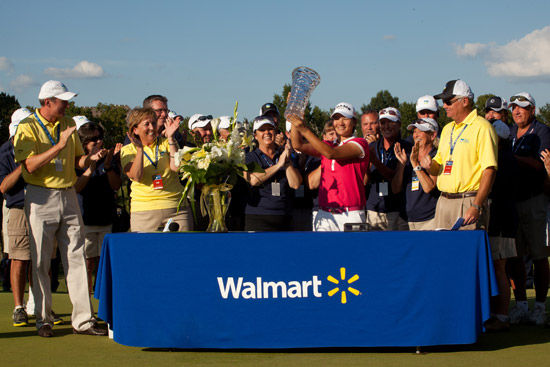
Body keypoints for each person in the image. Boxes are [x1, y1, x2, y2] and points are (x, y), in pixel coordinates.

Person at [13, 80, 106, 337]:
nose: (67, 104)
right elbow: (29, 165)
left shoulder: (67, 124)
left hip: (68, 193)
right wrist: (58, 145)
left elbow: (77, 160)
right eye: (62, 100)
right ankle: (43, 319)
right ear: (47, 102)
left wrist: (91, 157)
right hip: (40, 195)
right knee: (42, 260)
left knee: (76, 257)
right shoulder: (27, 126)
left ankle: (83, 321)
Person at [424, 79, 498, 230]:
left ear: (464, 101)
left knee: (466, 252)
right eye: (443, 102)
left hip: (468, 200)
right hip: (444, 200)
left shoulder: (482, 127)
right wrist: (429, 165)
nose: (444, 106)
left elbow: (489, 170)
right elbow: (437, 167)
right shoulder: (447, 129)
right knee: (442, 251)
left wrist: (476, 205)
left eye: (448, 101)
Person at [288, 102, 370, 231]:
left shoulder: (360, 143)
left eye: (345, 118)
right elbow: (298, 145)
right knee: (322, 251)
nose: (340, 122)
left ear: (354, 122)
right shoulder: (328, 144)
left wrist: (304, 129)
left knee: (351, 251)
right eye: (336, 118)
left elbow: (332, 154)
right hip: (325, 214)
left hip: (351, 214)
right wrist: (295, 118)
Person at [505, 92, 550, 325]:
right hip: (514, 200)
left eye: (522, 107)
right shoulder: (511, 132)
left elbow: (540, 164)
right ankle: (521, 304)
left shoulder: (541, 131)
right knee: (515, 256)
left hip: (534, 199)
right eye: (514, 107)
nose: (516, 111)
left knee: (539, 255)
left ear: (532, 110)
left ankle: (540, 306)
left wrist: (512, 158)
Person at [121, 108, 192, 232]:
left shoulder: (167, 143)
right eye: (146, 124)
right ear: (135, 129)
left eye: (153, 123)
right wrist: (140, 150)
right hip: (144, 212)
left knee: (182, 250)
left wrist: (171, 138)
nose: (152, 128)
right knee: (145, 251)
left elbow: (176, 168)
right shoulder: (128, 150)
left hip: (176, 208)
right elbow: (136, 176)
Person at [75, 119, 122, 294]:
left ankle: (104, 305)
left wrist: (108, 165)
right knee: (87, 264)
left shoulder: (108, 158)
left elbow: (116, 185)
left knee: (105, 265)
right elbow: (76, 188)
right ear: (84, 143)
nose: (99, 142)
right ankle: (86, 306)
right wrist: (90, 166)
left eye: (101, 137)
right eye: (94, 139)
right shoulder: (77, 161)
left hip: (105, 219)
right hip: (84, 220)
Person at [484, 121, 519, 332]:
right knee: (497, 268)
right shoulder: (504, 158)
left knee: (500, 268)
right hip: (501, 221)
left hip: (502, 222)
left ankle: (503, 316)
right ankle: (498, 314)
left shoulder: (503, 160)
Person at [0, 108, 32, 326]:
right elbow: (4, 186)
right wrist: (24, 166)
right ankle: (19, 307)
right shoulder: (5, 152)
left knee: (44, 261)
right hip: (18, 208)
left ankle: (38, 305)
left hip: (41, 206)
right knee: (19, 258)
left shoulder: (38, 146)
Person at [243, 116, 302, 231]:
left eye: (270, 129)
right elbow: (253, 180)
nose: (267, 133)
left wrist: (287, 162)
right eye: (262, 130)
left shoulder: (284, 155)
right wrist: (278, 165)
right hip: (258, 217)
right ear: (255, 135)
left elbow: (295, 184)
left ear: (275, 132)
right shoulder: (249, 156)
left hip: (284, 216)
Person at [365, 107, 410, 231]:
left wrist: (375, 161)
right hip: (375, 209)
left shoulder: (407, 148)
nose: (387, 126)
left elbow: (397, 184)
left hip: (398, 210)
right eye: (383, 123)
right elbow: (364, 180)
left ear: (399, 124)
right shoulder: (372, 147)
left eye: (391, 122)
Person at [392, 118, 440, 230]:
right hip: (408, 221)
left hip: (430, 220)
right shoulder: (408, 157)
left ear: (432, 135)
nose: (416, 135)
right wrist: (402, 165)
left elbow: (429, 187)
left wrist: (415, 164)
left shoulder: (437, 157)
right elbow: (395, 189)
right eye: (414, 131)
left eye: (420, 131)